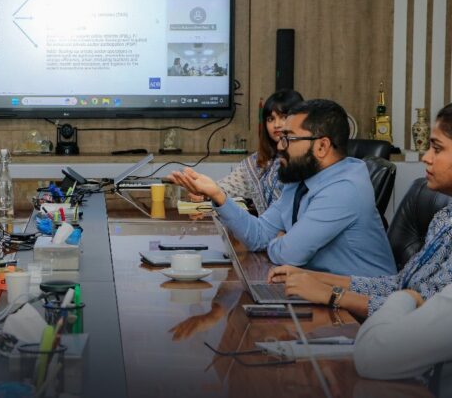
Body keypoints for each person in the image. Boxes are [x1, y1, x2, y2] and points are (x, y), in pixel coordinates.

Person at [169, 99, 395, 277]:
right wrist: (218, 195)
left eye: (288, 138)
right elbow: (258, 236)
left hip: (361, 308)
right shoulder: (301, 180)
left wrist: (280, 242)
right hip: (317, 290)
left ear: (322, 146)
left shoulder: (345, 189)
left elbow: (288, 254)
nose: (279, 145)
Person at [268, 103, 452, 318]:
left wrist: (332, 295)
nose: (426, 157)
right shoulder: (444, 217)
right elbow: (399, 285)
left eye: (437, 149)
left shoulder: (346, 188)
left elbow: (427, 315)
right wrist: (309, 277)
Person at [207, 89, 303, 214]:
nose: (276, 125)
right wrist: (203, 192)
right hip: (266, 225)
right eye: (270, 119)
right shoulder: (256, 162)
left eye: (283, 117)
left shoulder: (307, 159)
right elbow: (226, 186)